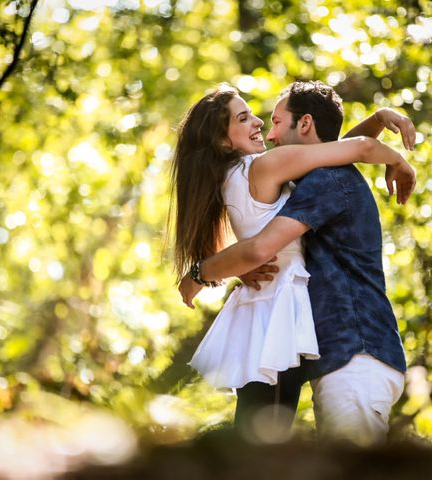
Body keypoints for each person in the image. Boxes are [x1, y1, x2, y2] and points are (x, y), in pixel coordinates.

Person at [172, 82, 414, 438]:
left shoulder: (262, 174)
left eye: (272, 120)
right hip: (286, 321)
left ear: (303, 125)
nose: (265, 130)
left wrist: (378, 123)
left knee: (262, 438)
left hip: (342, 349)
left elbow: (337, 152)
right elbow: (345, 151)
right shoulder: (275, 170)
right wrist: (398, 158)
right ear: (223, 141)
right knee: (262, 443)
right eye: (246, 117)